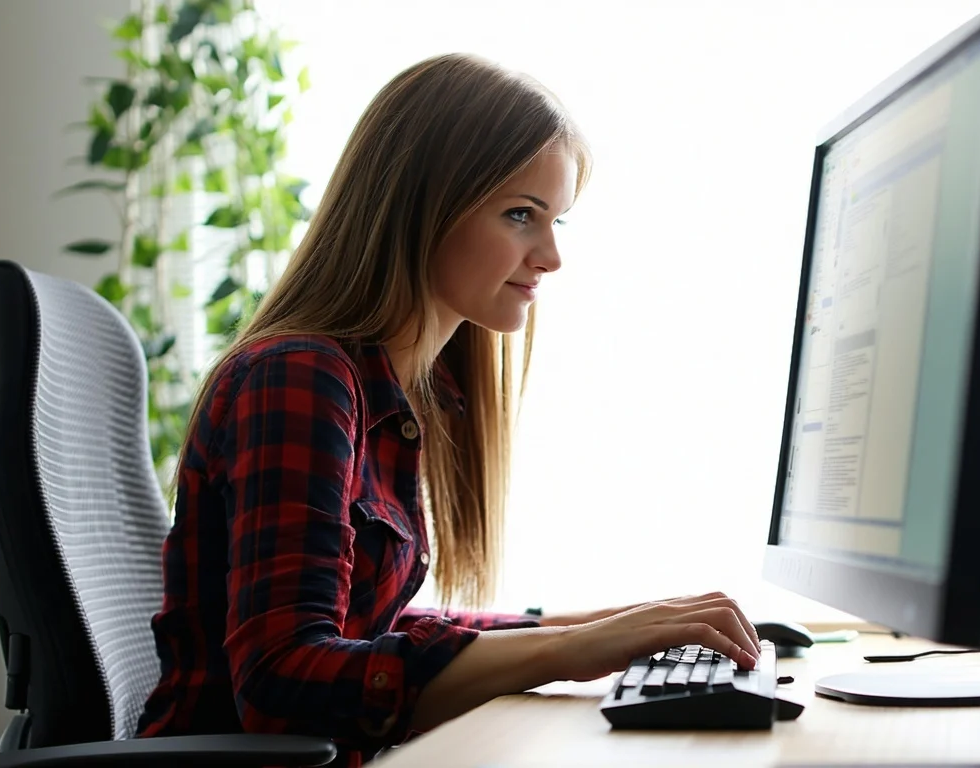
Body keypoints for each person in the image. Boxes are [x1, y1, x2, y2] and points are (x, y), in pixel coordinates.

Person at [134, 53, 761, 765]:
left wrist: (596, 626)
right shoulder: (299, 378)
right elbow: (285, 685)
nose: (551, 256)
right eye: (521, 215)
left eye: (556, 219)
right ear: (420, 209)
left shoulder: (396, 388)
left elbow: (370, 627)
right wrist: (569, 649)